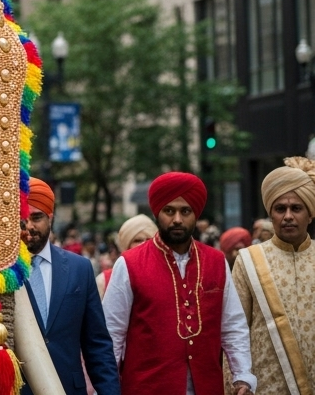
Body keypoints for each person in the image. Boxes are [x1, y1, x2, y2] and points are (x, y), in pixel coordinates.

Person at [102, 171, 255, 395]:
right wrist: (106, 388)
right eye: (169, 211)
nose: (177, 219)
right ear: (157, 213)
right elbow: (112, 333)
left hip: (207, 387)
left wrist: (242, 375)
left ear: (196, 215)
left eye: (185, 211)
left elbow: (233, 326)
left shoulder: (216, 261)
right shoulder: (129, 263)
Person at [21, 178, 118, 395]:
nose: (29, 226)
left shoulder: (79, 268)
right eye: (23, 218)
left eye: (37, 218)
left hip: (68, 387)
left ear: (50, 218)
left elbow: (97, 344)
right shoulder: (0, 273)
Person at [233, 158, 315, 395]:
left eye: (296, 208)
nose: (288, 216)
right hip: (266, 387)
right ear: (271, 214)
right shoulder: (248, 260)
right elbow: (234, 331)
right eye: (280, 209)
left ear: (310, 214)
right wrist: (237, 383)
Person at [96, 215, 157, 297]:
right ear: (126, 244)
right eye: (138, 240)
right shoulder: (104, 281)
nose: (144, 245)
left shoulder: (167, 277)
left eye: (149, 240)